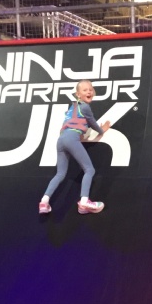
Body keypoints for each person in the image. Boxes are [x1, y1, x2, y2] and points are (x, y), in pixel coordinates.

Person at [39, 80, 110, 215]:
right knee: (89, 169)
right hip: (71, 138)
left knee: (60, 174)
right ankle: (84, 202)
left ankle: (44, 202)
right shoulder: (85, 107)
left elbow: (72, 124)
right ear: (78, 94)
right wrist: (102, 130)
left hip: (61, 140)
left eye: (91, 89)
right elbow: (92, 123)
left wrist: (79, 134)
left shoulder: (72, 108)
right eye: (85, 90)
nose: (89, 92)